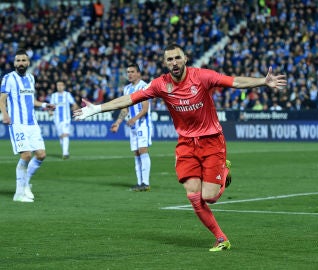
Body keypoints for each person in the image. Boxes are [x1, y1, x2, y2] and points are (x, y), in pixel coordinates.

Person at [74, 44, 287, 251]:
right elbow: (130, 99)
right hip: (186, 144)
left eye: (177, 57)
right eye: (169, 59)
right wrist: (97, 109)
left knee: (209, 197)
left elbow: (234, 82)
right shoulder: (160, 84)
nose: (174, 62)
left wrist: (262, 81)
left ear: (185, 59)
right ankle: (221, 238)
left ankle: (224, 169)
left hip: (211, 140)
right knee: (193, 196)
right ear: (165, 63)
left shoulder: (202, 76)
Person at [0, 49, 55, 202]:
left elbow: (32, 100)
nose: (21, 63)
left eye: (23, 60)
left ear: (28, 62)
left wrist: (45, 104)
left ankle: (25, 184)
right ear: (14, 63)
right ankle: (19, 193)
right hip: (17, 123)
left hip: (32, 123)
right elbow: (2, 99)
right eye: (18, 60)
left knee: (41, 155)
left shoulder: (31, 78)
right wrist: (5, 114)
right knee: (26, 155)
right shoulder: (8, 78)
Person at [110, 64, 152, 191]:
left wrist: (135, 118)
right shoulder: (127, 89)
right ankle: (139, 183)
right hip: (132, 126)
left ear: (139, 73)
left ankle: (146, 182)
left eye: (132, 72)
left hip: (143, 124)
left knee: (143, 150)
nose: (129, 74)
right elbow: (125, 108)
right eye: (128, 72)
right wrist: (117, 122)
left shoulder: (143, 87)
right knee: (136, 152)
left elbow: (145, 108)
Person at [49, 80, 79, 159]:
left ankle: (65, 153)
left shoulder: (67, 95)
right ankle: (65, 151)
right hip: (56, 119)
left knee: (65, 134)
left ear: (64, 86)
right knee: (61, 136)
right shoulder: (53, 96)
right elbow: (51, 106)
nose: (59, 86)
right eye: (58, 85)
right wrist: (50, 111)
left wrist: (75, 109)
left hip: (66, 119)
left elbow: (74, 104)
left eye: (61, 85)